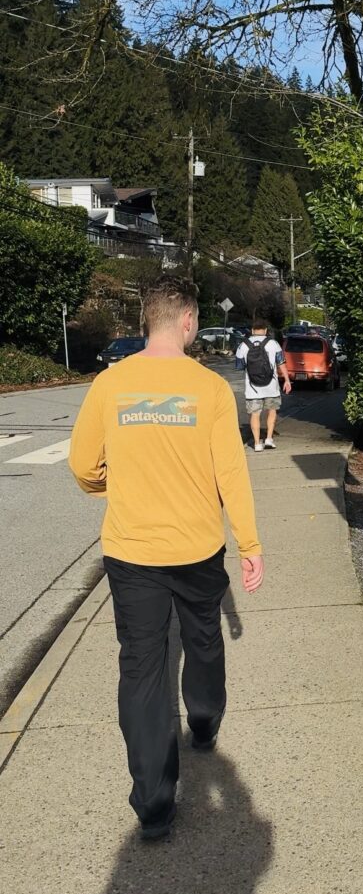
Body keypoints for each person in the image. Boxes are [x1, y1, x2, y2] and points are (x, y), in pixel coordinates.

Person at [69, 276, 264, 840]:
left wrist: (112, 487)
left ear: (144, 323)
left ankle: (154, 800)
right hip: (198, 548)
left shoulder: (111, 384)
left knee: (142, 666)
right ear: (187, 323)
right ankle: (203, 720)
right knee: (202, 638)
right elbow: (232, 476)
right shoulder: (206, 389)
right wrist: (250, 545)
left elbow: (83, 465)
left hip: (130, 552)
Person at [236, 319, 291, 452]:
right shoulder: (273, 344)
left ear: (253, 330)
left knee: (255, 414)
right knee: (271, 412)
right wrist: (287, 380)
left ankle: (256, 443)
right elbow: (281, 362)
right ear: (266, 330)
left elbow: (239, 366)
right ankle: (269, 439)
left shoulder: (243, 345)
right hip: (271, 388)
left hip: (252, 389)